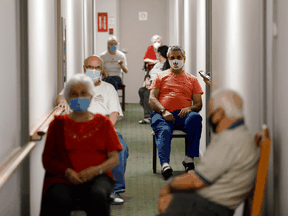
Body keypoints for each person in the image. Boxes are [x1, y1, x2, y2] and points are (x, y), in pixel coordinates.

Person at [156, 89, 260, 216]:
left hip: (211, 207)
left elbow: (198, 180)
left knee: (165, 202)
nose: (209, 116)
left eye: (211, 112)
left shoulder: (230, 140)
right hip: (213, 200)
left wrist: (169, 185)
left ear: (219, 113)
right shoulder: (240, 134)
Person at [40, 73, 123, 216]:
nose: (79, 97)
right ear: (67, 98)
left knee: (97, 195)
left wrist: (96, 170)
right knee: (59, 198)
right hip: (63, 176)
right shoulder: (57, 124)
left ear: (91, 96)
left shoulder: (103, 123)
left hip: (98, 176)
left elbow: (114, 158)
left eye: (83, 93)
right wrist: (66, 171)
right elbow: (47, 159)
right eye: (74, 94)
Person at [56, 55, 129, 204]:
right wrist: (63, 102)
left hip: (103, 128)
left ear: (102, 70)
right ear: (84, 69)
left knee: (121, 148)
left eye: (97, 68)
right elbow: (61, 97)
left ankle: (114, 190)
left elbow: (114, 113)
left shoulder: (108, 88)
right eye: (90, 67)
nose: (94, 70)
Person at [149, 45, 203, 179]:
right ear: (168, 59)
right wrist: (163, 110)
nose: (176, 60)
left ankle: (189, 159)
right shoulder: (160, 76)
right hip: (162, 114)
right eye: (172, 58)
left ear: (184, 59)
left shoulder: (192, 79)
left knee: (196, 118)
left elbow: (198, 104)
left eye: (179, 57)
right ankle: (165, 164)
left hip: (183, 115)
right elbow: (152, 98)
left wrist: (189, 109)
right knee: (164, 130)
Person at [138, 45, 169, 124]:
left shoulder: (167, 64)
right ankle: (149, 110)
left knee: (147, 93)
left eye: (157, 53)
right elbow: (149, 72)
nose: (156, 54)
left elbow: (164, 77)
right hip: (150, 84)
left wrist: (152, 84)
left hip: (158, 86)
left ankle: (148, 116)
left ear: (161, 53)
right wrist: (147, 79)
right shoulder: (157, 63)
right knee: (141, 90)